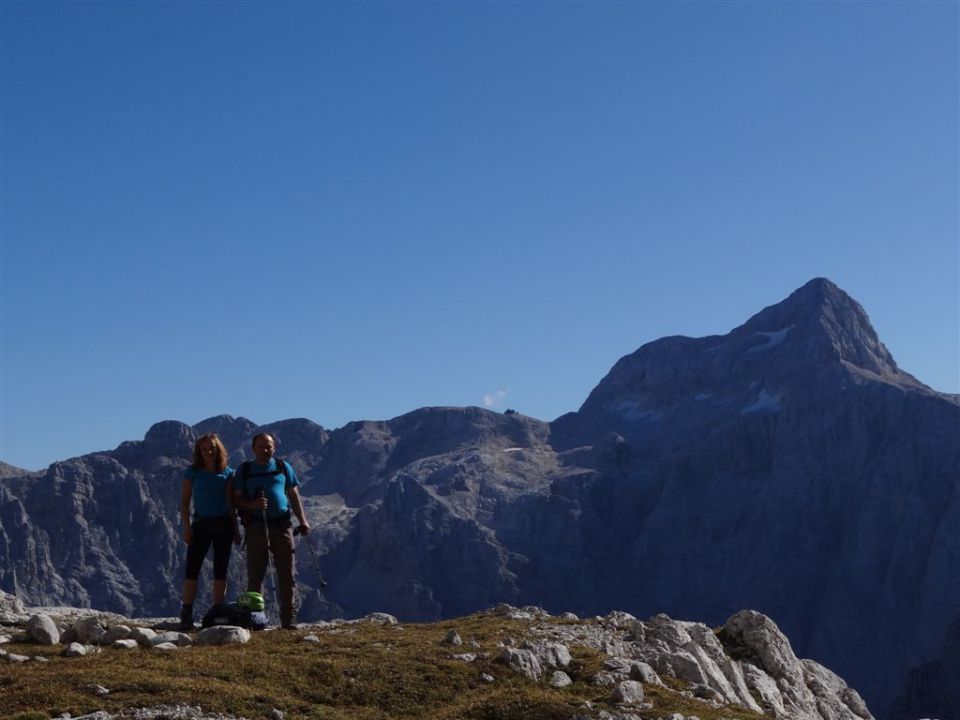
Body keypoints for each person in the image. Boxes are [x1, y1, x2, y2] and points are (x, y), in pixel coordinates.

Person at [234, 432, 310, 629]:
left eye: (268, 446)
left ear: (274, 448)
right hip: (256, 527)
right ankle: (254, 619)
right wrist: (253, 505)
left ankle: (288, 620)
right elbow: (236, 500)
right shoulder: (245, 470)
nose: (265, 449)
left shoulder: (283, 467)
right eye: (260, 446)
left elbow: (293, 495)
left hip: (283, 525)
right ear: (253, 449)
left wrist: (303, 521)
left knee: (287, 572)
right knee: (256, 574)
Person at [178, 433, 239, 631]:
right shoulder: (192, 472)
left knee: (221, 570)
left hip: (224, 525)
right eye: (204, 449)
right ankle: (186, 612)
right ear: (199, 452)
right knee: (192, 570)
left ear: (218, 449)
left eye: (212, 448)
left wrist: (236, 530)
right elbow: (185, 503)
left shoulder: (228, 472)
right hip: (201, 525)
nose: (208, 452)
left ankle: (217, 612)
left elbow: (231, 504)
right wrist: (186, 528)